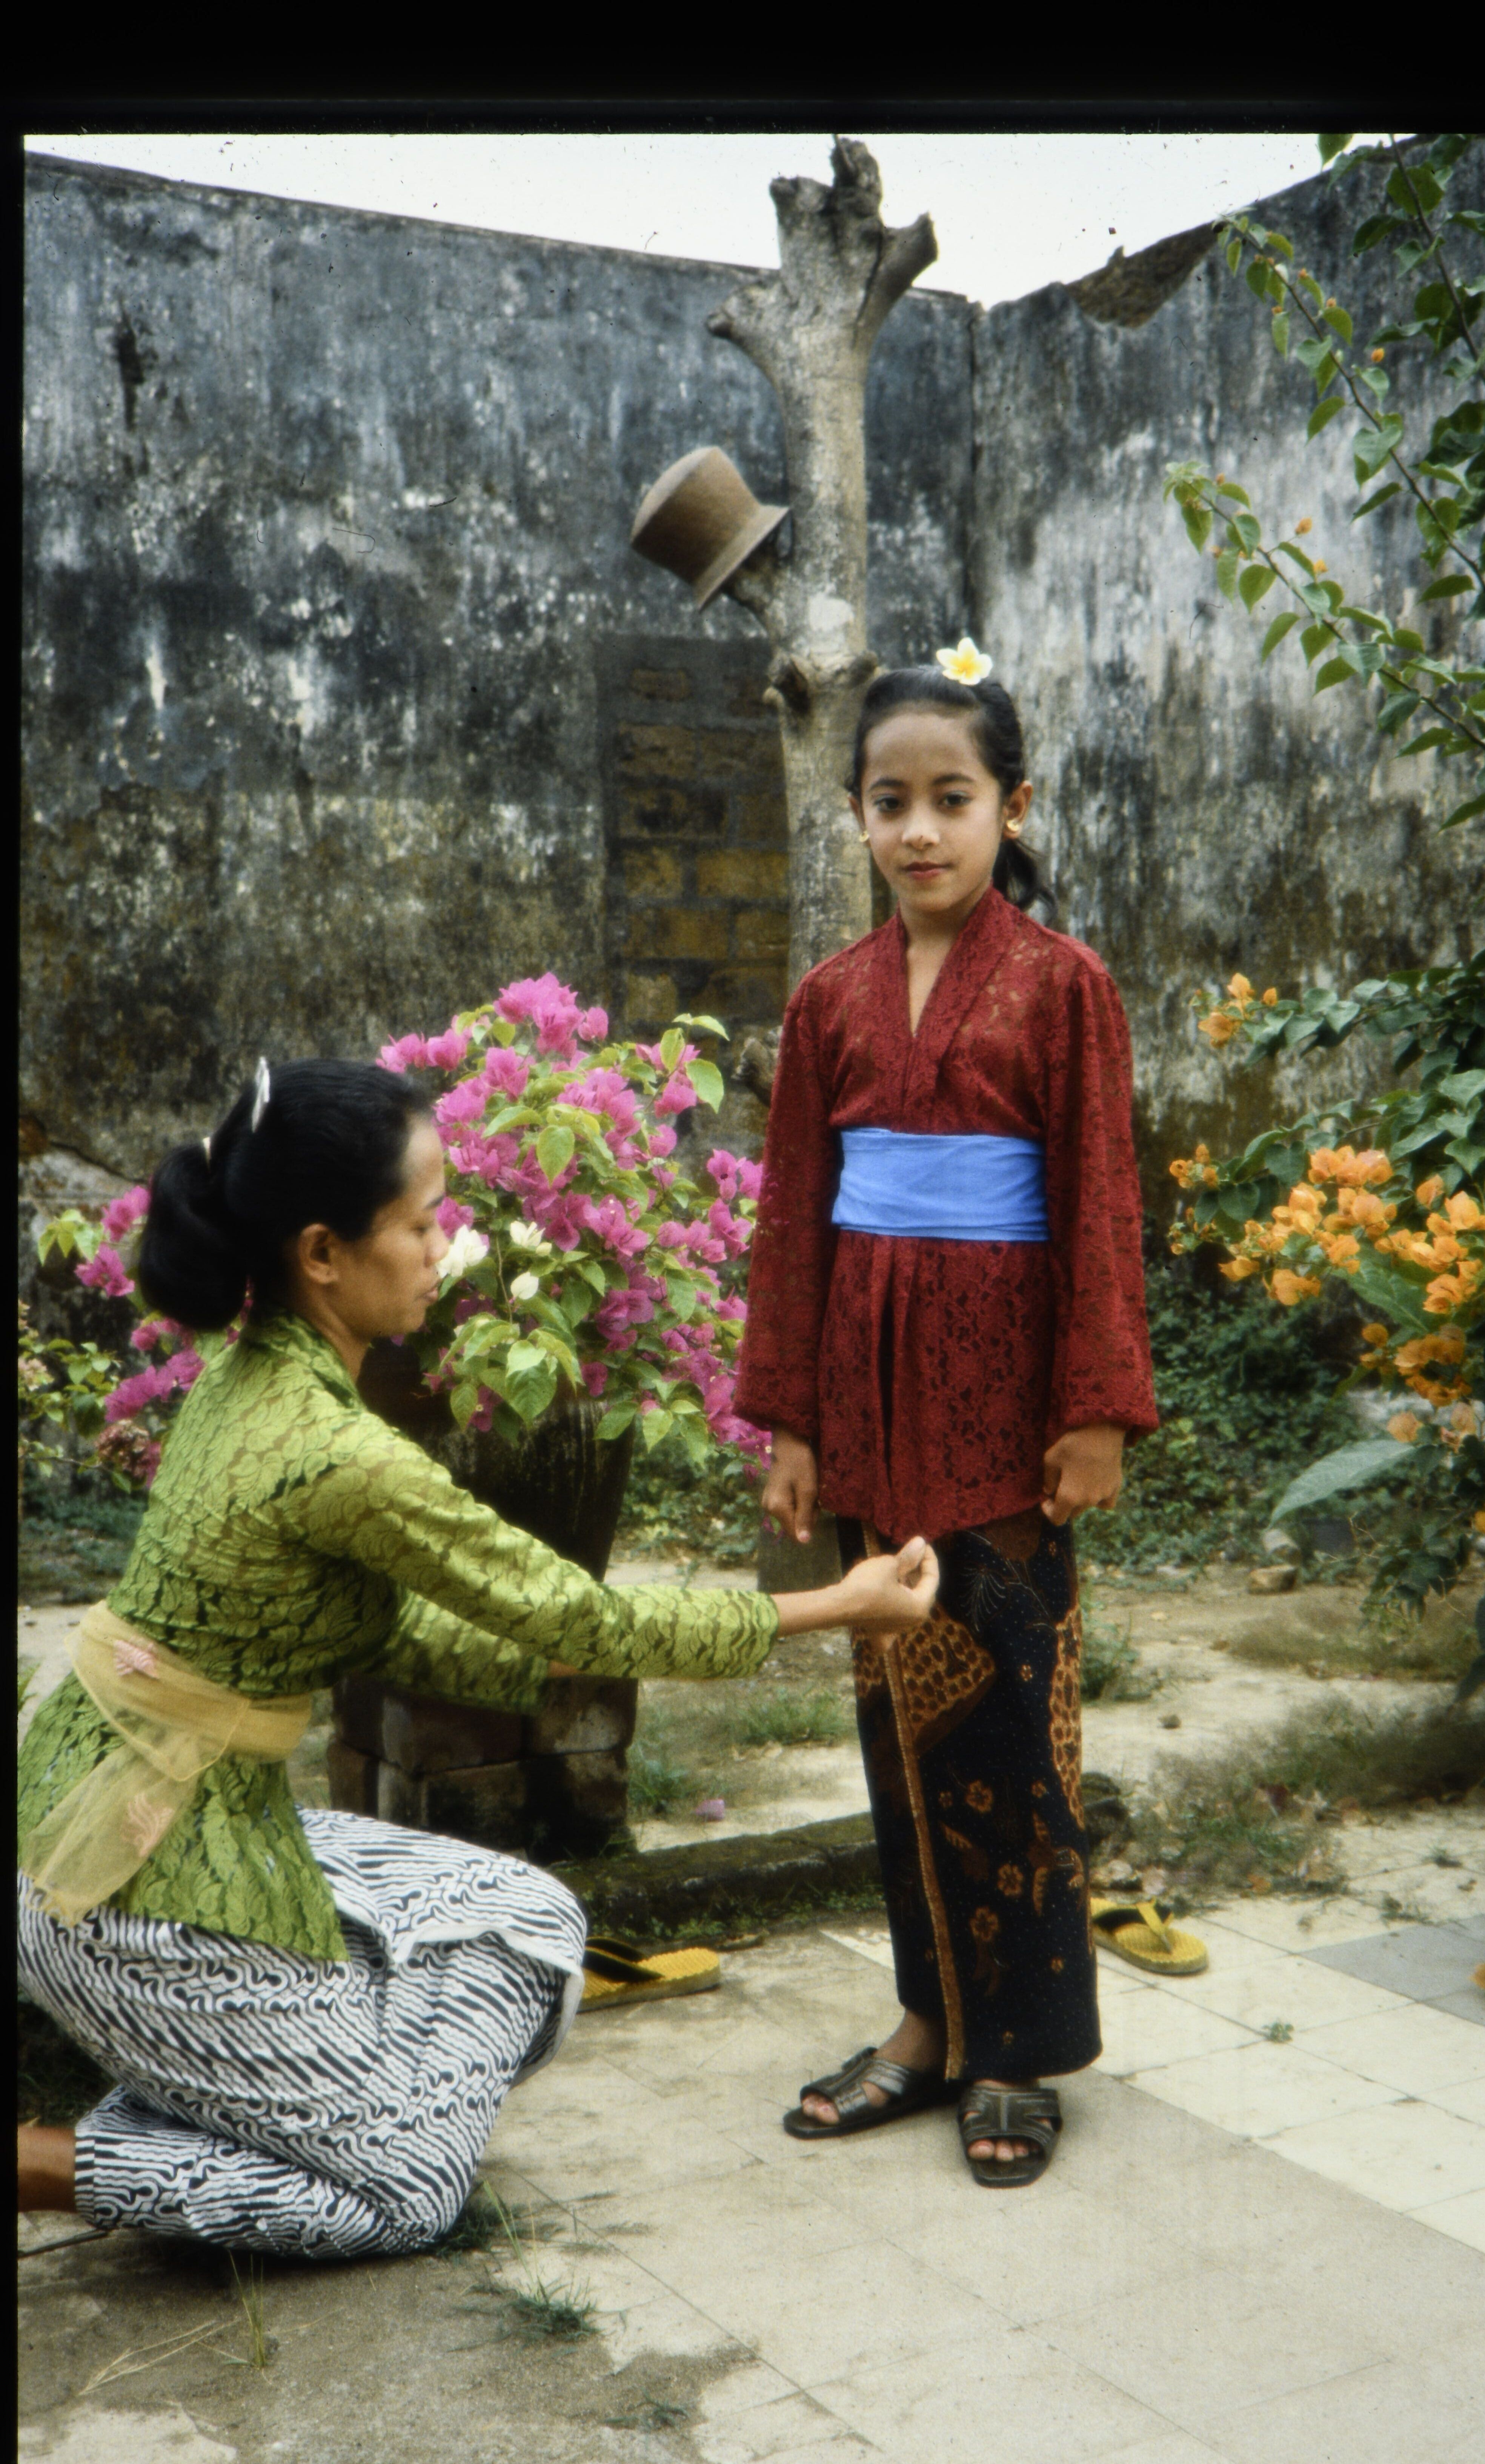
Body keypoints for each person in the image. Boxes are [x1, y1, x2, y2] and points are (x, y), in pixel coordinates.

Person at [16, 1057, 938, 2257]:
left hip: (145, 1817)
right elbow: (590, 1621)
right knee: (407, 2193)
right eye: (417, 1223)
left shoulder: (243, 1377)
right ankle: (54, 2159)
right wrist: (840, 1606)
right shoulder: (336, 1451)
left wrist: (530, 1664)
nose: (440, 1244)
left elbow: (376, 1628)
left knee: (533, 1922)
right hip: (129, 1889)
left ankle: (252, 2097)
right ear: (322, 1253)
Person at [733, 655, 1159, 2187]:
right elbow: (795, 1215)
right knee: (894, 1721)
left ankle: (1016, 2049)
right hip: (868, 1400)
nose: (920, 830)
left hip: (1008, 1407)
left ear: (1011, 808)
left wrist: (1097, 1409)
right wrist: (791, 1419)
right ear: (857, 814)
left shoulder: (1063, 986)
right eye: (890, 801)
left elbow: (1100, 1200)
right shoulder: (828, 1000)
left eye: (952, 799)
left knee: (1007, 1719)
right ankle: (927, 2022)